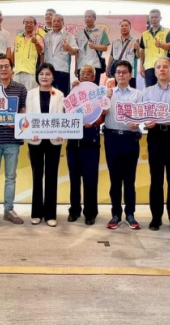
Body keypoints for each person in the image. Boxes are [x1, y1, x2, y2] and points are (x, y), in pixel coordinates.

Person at [0, 56, 28, 229]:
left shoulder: (20, 89)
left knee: (11, 177)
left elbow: (24, 113)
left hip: (12, 141)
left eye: (6, 66)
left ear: (11, 69)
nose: (3, 69)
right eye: (0, 66)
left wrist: (16, 122)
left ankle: (9, 210)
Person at [143, 57, 170, 233]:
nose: (162, 70)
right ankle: (156, 217)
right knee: (156, 179)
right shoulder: (147, 92)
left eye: (165, 67)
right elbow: (142, 114)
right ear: (155, 71)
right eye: (158, 67)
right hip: (155, 135)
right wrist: (145, 123)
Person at [102, 60, 143, 230]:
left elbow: (142, 115)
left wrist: (137, 123)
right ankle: (116, 214)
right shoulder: (107, 93)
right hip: (112, 138)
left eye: (124, 72)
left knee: (130, 179)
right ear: (114, 75)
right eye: (118, 72)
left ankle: (131, 214)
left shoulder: (137, 94)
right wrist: (106, 99)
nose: (121, 75)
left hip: (130, 138)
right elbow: (101, 113)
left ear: (130, 75)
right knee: (115, 179)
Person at [26, 63, 65, 227]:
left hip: (54, 140)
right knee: (37, 175)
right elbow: (27, 115)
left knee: (51, 175)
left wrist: (61, 131)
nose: (44, 77)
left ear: (53, 77)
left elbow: (62, 116)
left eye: (48, 74)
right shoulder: (30, 94)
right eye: (41, 74)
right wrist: (30, 131)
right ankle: (36, 213)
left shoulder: (59, 94)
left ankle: (50, 214)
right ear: (37, 76)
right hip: (35, 139)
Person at [66, 65, 103, 225]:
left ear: (94, 77)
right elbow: (65, 110)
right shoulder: (73, 92)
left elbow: (104, 114)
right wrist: (70, 91)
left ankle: (90, 212)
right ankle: (74, 210)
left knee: (90, 179)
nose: (86, 75)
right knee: (74, 179)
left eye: (89, 73)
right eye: (83, 73)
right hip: (73, 142)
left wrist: (94, 122)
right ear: (79, 76)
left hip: (91, 141)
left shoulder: (99, 93)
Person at [43, 14, 78, 96]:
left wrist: (69, 48)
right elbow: (42, 52)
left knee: (63, 94)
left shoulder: (69, 36)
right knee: (49, 94)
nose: (56, 23)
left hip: (62, 69)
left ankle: (62, 109)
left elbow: (75, 52)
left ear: (63, 23)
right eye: (54, 21)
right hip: (49, 69)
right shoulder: (46, 36)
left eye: (58, 21)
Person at [139, 9, 170, 87]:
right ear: (149, 19)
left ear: (160, 18)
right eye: (152, 17)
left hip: (162, 65)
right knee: (150, 89)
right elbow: (142, 50)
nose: (153, 19)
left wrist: (161, 45)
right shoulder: (144, 34)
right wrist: (141, 65)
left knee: (164, 87)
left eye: (156, 17)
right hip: (148, 66)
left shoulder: (167, 31)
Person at [75, 10, 109, 85]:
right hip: (82, 66)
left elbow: (105, 47)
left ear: (94, 18)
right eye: (85, 17)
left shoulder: (101, 32)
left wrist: (94, 46)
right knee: (82, 89)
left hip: (95, 65)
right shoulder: (80, 32)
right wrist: (76, 67)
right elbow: (77, 51)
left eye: (89, 17)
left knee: (93, 89)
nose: (87, 19)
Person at [106, 19, 141, 88]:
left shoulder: (135, 40)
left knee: (131, 92)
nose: (124, 27)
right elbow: (111, 56)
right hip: (118, 72)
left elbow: (138, 56)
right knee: (118, 92)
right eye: (122, 26)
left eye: (126, 26)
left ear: (130, 27)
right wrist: (108, 67)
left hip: (130, 72)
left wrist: (137, 49)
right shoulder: (115, 41)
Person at [13, 16, 43, 91]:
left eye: (31, 23)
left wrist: (36, 42)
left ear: (35, 25)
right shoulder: (18, 38)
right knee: (17, 97)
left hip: (30, 73)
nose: (28, 25)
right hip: (17, 72)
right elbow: (14, 54)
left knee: (29, 98)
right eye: (26, 22)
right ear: (23, 24)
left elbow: (40, 51)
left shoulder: (38, 37)